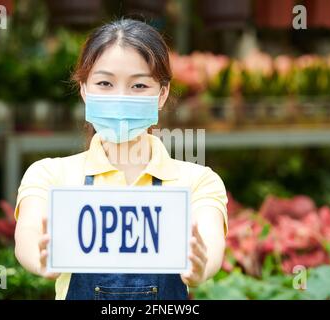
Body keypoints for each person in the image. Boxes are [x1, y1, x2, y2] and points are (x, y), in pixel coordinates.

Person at [14, 18, 228, 300]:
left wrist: (201, 267)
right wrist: (39, 259)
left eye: (139, 86)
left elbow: (210, 241)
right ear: (83, 90)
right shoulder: (49, 175)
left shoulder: (198, 181)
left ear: (162, 94)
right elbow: (28, 232)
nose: (120, 97)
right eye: (104, 83)